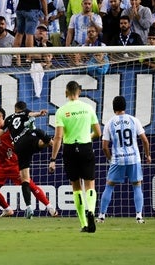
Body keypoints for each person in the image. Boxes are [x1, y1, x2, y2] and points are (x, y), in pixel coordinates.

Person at [0, 101, 52, 219]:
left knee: (28, 183)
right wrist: (39, 114)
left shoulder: (10, 121)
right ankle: (8, 209)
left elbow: (30, 114)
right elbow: (31, 114)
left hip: (14, 161)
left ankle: (49, 207)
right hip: (0, 164)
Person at [49, 81, 102, 233]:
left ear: (66, 92)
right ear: (79, 91)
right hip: (85, 147)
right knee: (90, 184)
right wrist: (88, 137)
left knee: (76, 187)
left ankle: (84, 224)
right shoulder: (88, 108)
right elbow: (98, 133)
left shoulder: (62, 111)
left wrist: (53, 159)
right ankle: (91, 210)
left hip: (70, 149)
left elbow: (58, 137)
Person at [97, 96, 151, 224]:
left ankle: (101, 216)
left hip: (118, 160)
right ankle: (139, 216)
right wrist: (147, 155)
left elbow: (104, 147)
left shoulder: (109, 123)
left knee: (109, 186)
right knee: (137, 186)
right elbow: (144, 140)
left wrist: (111, 159)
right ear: (125, 107)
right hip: (134, 158)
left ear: (113, 107)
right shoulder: (134, 120)